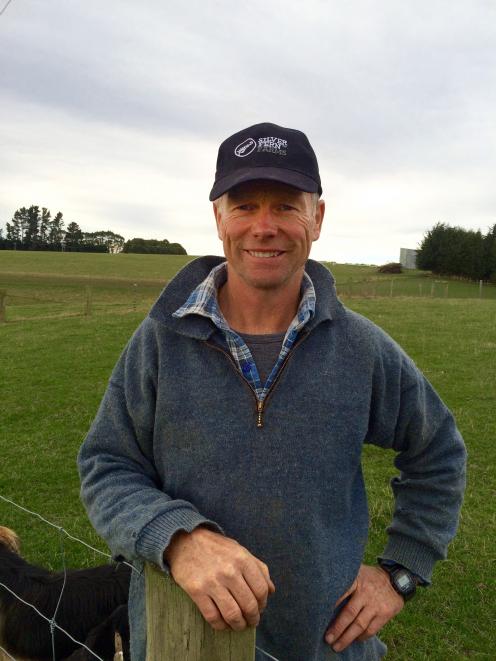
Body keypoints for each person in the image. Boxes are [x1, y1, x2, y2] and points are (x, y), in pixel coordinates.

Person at [78, 122, 467, 660]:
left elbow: (439, 451)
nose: (264, 227)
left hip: (325, 649)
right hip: (183, 646)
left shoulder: (360, 349)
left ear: (318, 218)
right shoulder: (161, 342)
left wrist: (400, 570)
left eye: (286, 206)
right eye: (245, 206)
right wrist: (179, 538)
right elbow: (106, 465)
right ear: (218, 218)